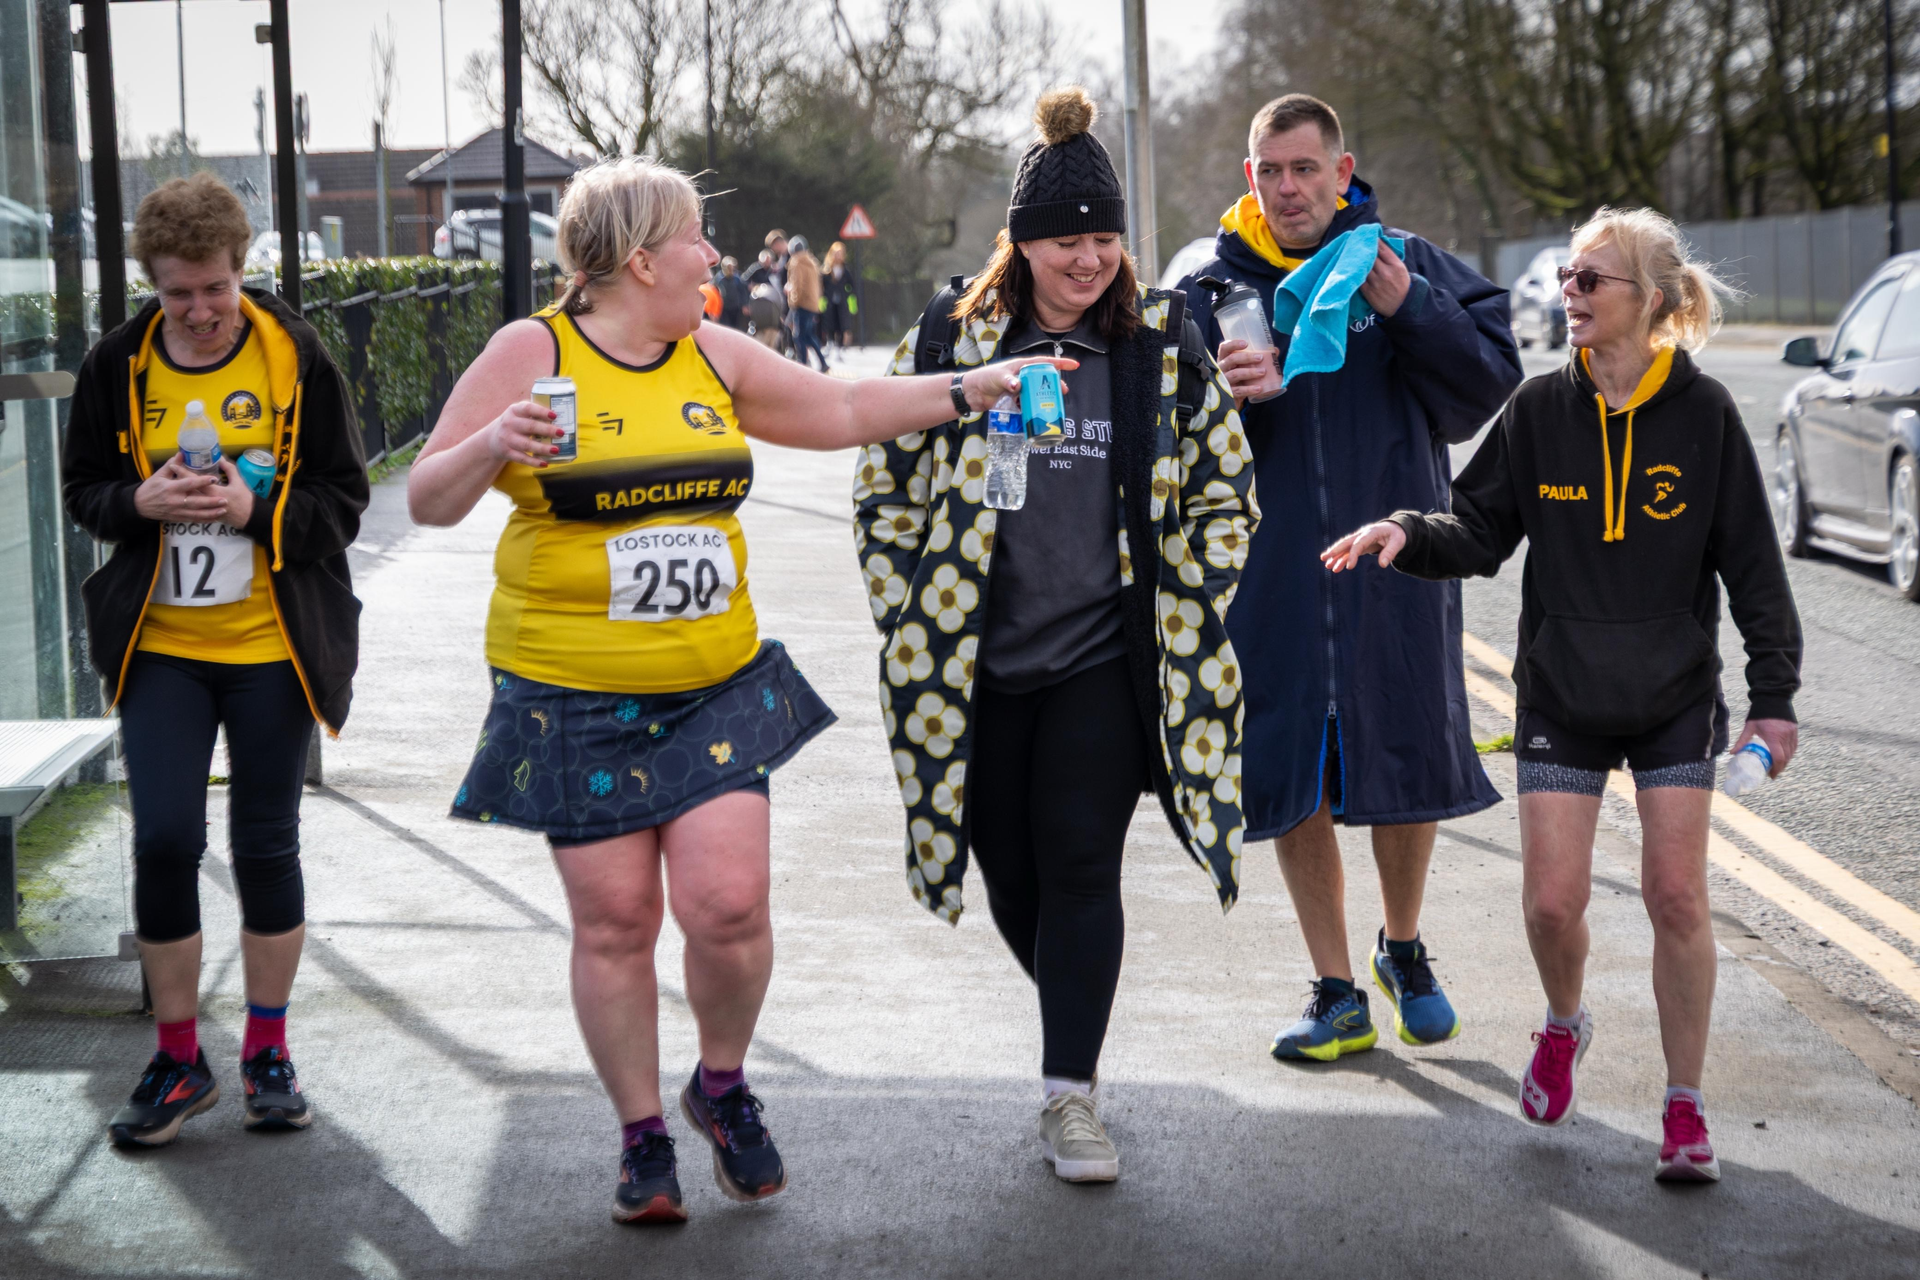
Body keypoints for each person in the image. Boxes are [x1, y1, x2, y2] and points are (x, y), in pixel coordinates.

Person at [408, 156, 1067, 1225]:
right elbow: (429, 498)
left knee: (728, 905)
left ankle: (721, 1084)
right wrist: (491, 443)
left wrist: (966, 389)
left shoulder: (709, 352)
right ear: (638, 259)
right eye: (696, 238)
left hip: (715, 681)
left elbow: (846, 404)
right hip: (570, 688)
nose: (713, 254)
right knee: (618, 918)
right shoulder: (532, 350)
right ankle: (639, 1137)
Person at [1323, 207, 1801, 1183]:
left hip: (1672, 693)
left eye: (1592, 280)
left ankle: (1684, 1105)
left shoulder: (1705, 415)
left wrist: (1774, 697)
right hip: (1562, 695)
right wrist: (1409, 532)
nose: (1570, 293)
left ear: (1652, 302)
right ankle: (1563, 1019)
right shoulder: (1542, 409)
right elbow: (1481, 529)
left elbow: (1754, 566)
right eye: (1570, 278)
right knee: (1550, 903)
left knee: (1676, 896)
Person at [856, 86, 1256, 1185]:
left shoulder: (1165, 343)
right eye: (1068, 241)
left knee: (1082, 862)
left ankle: (1069, 1092)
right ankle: (1076, 1011)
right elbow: (882, 490)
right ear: (1023, 243)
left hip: (1103, 658)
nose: (1091, 261)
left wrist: (1188, 598)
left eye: (1106, 238)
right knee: (1007, 870)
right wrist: (910, 610)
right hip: (971, 665)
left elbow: (1229, 493)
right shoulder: (951, 337)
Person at [1176, 94, 1522, 1063]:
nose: (1288, 186)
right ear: (1250, 178)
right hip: (1275, 572)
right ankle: (1335, 989)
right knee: (1296, 772)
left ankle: (1402, 948)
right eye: (1270, 171)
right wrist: (1221, 402)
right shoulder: (1210, 293)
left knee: (1404, 752)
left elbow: (1488, 385)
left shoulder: (1396, 261)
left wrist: (1406, 307)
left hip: (1395, 556)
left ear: (1341, 169)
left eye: (1304, 167)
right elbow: (1170, 452)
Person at [61, 172, 368, 1147]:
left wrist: (256, 512)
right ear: (152, 284)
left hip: (270, 642)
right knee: (162, 839)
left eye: (214, 290)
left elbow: (344, 496)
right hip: (165, 646)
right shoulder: (119, 362)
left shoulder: (294, 355)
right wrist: (137, 504)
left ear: (244, 271)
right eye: (176, 293)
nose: (196, 312)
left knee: (265, 841)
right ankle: (178, 1053)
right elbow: (85, 488)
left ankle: (268, 1052)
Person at [784, 235, 829, 370]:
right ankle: (823, 363)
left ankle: (802, 365)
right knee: (808, 335)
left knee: (799, 336)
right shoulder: (812, 261)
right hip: (812, 304)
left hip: (802, 304)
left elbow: (798, 284)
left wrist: (793, 301)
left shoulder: (796, 262)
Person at [823, 241, 855, 349]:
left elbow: (851, 285)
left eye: (840, 253)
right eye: (836, 253)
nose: (838, 256)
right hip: (829, 301)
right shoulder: (827, 270)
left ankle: (840, 345)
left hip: (841, 301)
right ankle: (830, 342)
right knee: (829, 321)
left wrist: (846, 293)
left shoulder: (845, 270)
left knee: (842, 322)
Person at [716, 256, 751, 331]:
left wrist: (744, 305)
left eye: (732, 268)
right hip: (724, 308)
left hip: (736, 308)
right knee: (725, 327)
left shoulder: (737, 278)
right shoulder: (719, 278)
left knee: (736, 327)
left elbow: (743, 292)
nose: (730, 270)